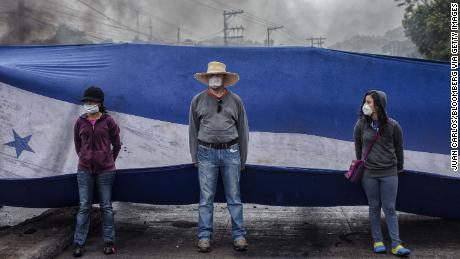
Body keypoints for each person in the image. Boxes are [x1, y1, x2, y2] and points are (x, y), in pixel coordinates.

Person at [189, 61, 249, 252]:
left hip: (231, 152)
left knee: (234, 197)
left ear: (224, 78)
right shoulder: (197, 100)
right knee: (206, 198)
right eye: (211, 76)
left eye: (218, 75)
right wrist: (194, 156)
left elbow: (243, 130)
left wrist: (243, 158)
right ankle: (204, 237)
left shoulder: (236, 101)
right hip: (205, 153)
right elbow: (193, 130)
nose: (215, 79)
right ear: (207, 79)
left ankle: (239, 236)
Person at [354, 90, 410, 257]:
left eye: (369, 102)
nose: (366, 105)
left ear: (378, 105)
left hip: (389, 173)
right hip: (369, 173)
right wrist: (361, 162)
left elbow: (399, 148)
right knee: (374, 207)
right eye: (365, 101)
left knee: (390, 208)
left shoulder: (393, 126)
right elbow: (358, 145)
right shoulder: (361, 124)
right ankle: (377, 241)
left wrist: (399, 167)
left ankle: (396, 244)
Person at [73, 86, 121, 257]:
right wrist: (85, 158)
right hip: (84, 170)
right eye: (86, 101)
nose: (88, 104)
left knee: (106, 206)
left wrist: (108, 160)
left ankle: (109, 242)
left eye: (91, 101)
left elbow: (117, 144)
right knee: (84, 206)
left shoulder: (109, 121)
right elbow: (78, 144)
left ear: (100, 103)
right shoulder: (80, 122)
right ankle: (78, 243)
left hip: (106, 171)